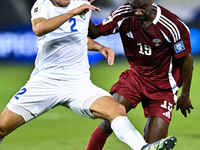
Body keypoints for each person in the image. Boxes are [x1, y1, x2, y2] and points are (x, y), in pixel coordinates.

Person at [0, 0, 177, 150]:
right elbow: (39, 29)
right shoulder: (43, 5)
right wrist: (73, 12)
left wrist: (99, 47)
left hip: (79, 83)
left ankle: (142, 147)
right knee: (2, 128)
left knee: (116, 109)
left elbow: (77, 36)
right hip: (45, 81)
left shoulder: (81, 3)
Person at [86, 0, 194, 149]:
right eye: (134, 8)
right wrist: (84, 10)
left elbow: (186, 60)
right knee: (108, 121)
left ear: (151, 2)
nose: (137, 12)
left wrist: (185, 95)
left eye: (143, 8)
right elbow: (94, 32)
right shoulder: (123, 14)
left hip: (163, 87)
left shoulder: (172, 25)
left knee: (152, 145)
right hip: (135, 77)